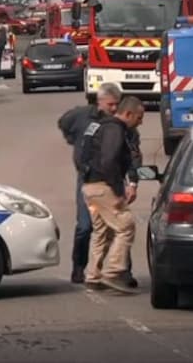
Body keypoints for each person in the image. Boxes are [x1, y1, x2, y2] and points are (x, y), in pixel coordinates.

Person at [79, 96, 145, 294]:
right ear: (128, 114)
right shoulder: (115, 129)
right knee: (126, 225)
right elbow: (109, 161)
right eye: (139, 117)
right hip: (103, 187)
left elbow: (83, 157)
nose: (141, 122)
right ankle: (113, 272)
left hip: (90, 186)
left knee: (102, 232)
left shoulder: (97, 127)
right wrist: (118, 191)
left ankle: (93, 276)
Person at [58, 83, 122, 284]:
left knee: (116, 227)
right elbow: (63, 123)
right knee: (85, 226)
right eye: (110, 104)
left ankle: (120, 271)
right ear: (99, 101)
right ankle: (78, 267)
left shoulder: (117, 123)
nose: (113, 109)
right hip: (87, 180)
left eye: (116, 105)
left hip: (110, 180)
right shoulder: (81, 115)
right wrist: (72, 140)